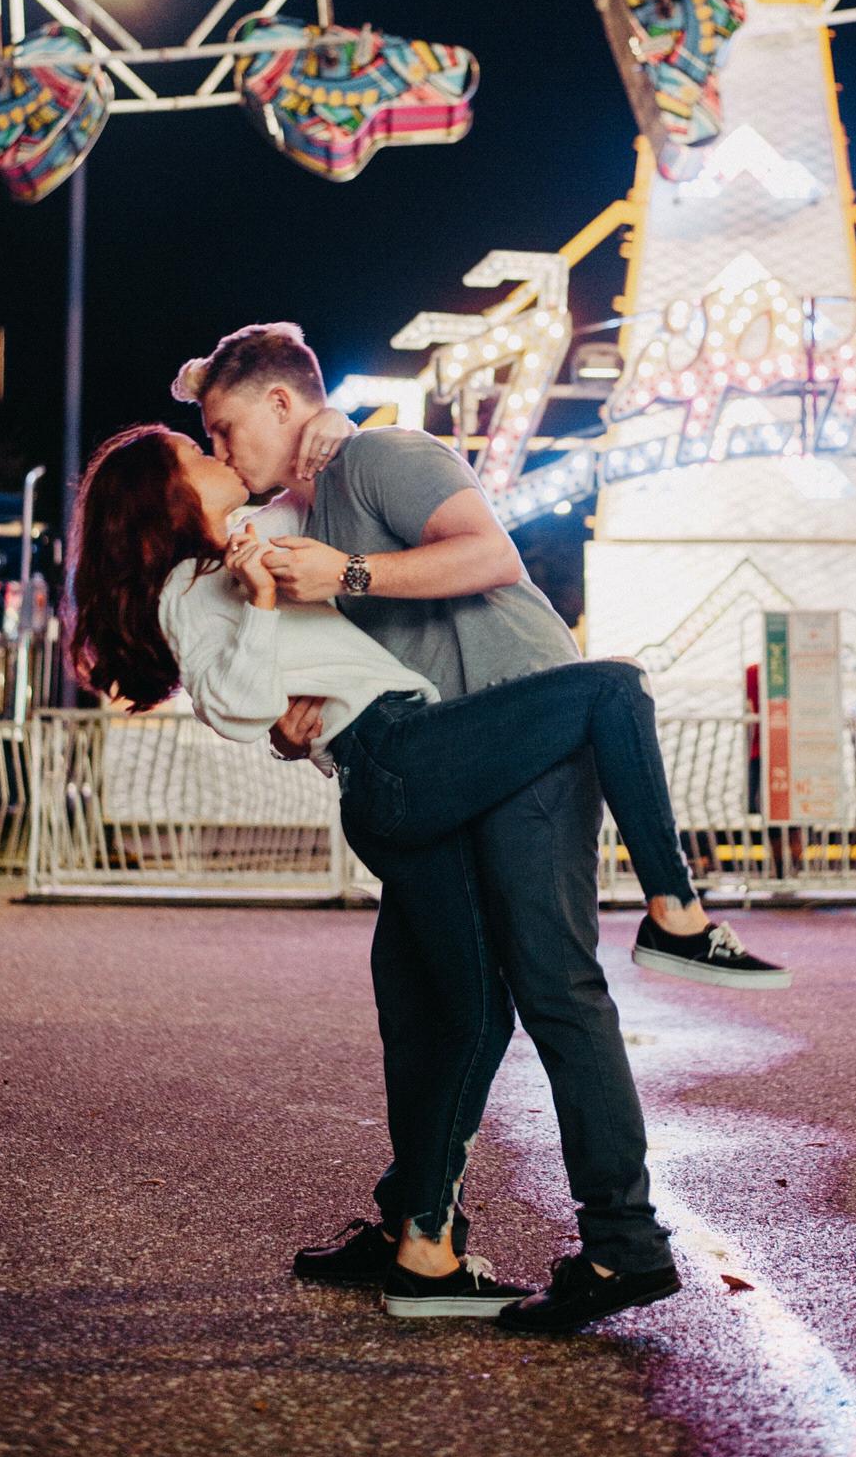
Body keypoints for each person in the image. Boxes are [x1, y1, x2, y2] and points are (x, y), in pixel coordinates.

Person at [161, 323, 784, 1333]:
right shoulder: (301, 508)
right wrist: (291, 718)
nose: (221, 451)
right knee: (419, 994)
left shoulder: (384, 452)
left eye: (226, 428)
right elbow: (287, 648)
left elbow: (490, 553)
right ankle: (415, 1223)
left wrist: (350, 574)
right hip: (450, 761)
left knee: (553, 985)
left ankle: (623, 1242)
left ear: (281, 403)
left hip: (528, 731)